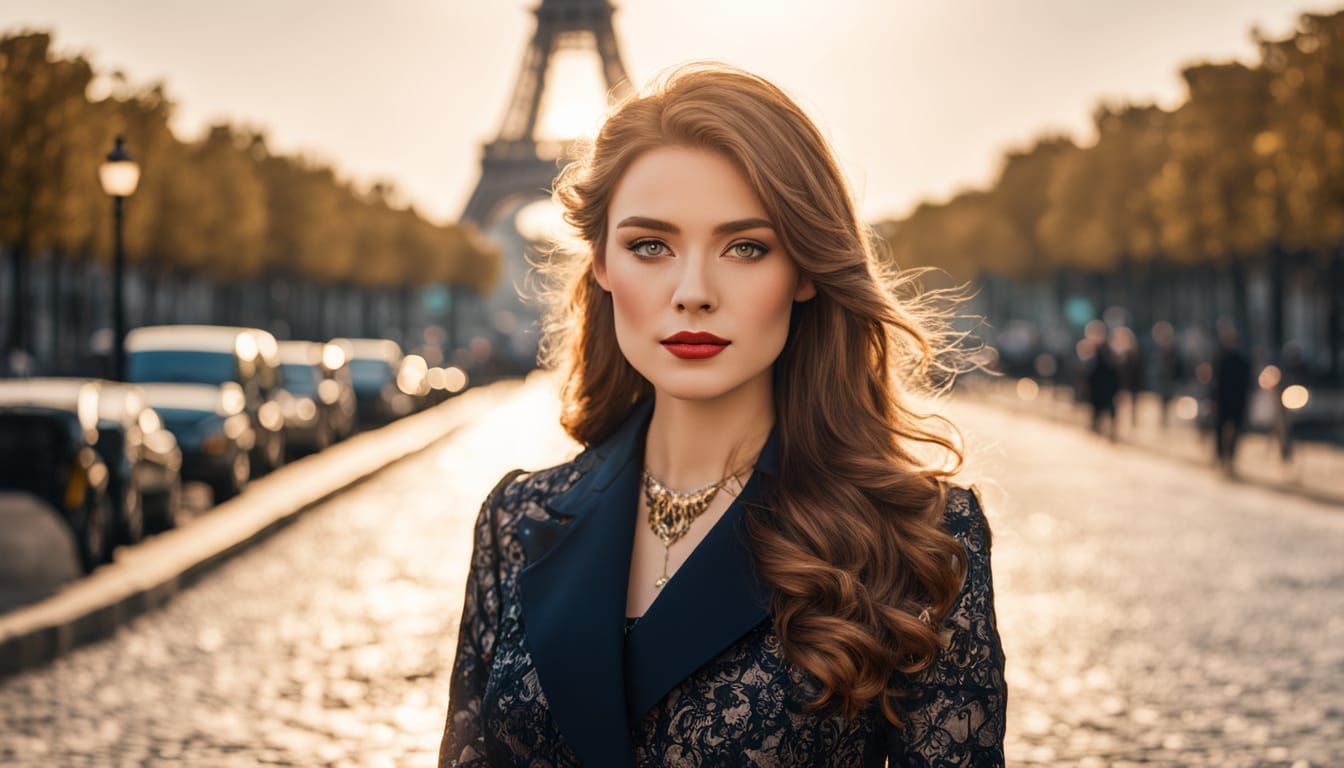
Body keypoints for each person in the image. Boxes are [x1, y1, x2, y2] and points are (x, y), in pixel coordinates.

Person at [438, 61, 1007, 767]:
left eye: (745, 247)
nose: (693, 291)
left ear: (804, 268)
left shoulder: (922, 542)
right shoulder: (515, 522)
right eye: (651, 246)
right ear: (602, 265)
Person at [1212, 321, 1252, 475]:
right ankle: (1222, 457)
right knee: (1221, 429)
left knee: (1235, 430)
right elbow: (1216, 383)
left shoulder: (1241, 360)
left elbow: (1246, 383)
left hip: (1237, 400)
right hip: (1223, 400)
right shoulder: (1220, 359)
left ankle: (1231, 458)